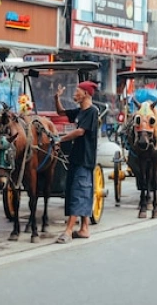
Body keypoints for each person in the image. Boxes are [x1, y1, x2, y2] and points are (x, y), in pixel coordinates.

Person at [54, 80, 99, 244]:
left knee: (78, 193)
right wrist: (56, 98)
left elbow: (80, 131)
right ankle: (84, 228)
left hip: (85, 160)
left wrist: (61, 139)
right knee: (81, 192)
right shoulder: (79, 111)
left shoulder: (92, 112)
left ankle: (68, 230)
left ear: (86, 94)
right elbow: (60, 112)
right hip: (76, 158)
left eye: (77, 91)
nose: (74, 94)